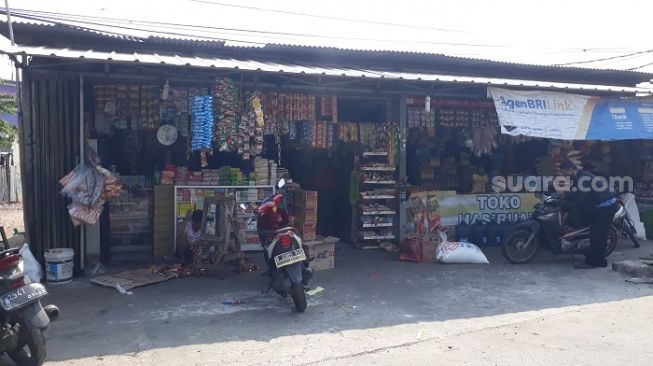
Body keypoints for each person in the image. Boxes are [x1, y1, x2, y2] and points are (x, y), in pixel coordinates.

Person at [559, 161, 618, 269]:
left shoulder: (583, 178)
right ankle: (599, 260)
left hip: (606, 206)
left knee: (597, 235)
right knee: (597, 234)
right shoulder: (579, 176)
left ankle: (594, 262)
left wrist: (564, 198)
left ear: (571, 170)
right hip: (599, 206)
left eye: (564, 173)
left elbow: (578, 197)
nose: (564, 175)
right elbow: (576, 193)